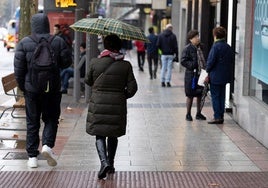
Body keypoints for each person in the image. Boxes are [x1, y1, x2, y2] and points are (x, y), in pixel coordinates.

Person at [13, 13, 72, 168]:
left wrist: (23, 87)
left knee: (32, 121)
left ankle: (32, 157)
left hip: (32, 89)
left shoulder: (24, 43)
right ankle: (47, 146)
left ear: (33, 25)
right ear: (47, 24)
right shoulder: (57, 41)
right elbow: (67, 63)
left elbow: (18, 70)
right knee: (51, 118)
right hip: (52, 88)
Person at [85, 34, 137, 179]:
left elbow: (87, 80)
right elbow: (133, 88)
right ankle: (111, 164)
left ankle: (104, 162)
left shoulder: (95, 62)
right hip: (117, 105)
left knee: (99, 134)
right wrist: (121, 96)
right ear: (119, 46)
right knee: (113, 134)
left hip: (98, 103)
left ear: (105, 46)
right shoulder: (125, 65)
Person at [206, 26, 234, 124]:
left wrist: (207, 70)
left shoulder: (215, 47)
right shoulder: (228, 47)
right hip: (225, 75)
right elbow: (231, 60)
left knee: (215, 96)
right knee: (222, 96)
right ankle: (221, 115)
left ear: (215, 35)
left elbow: (210, 61)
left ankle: (217, 117)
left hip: (215, 76)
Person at [181, 30, 207, 121]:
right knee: (190, 95)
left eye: (198, 36)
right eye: (195, 37)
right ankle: (188, 114)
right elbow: (183, 61)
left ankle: (198, 113)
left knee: (200, 94)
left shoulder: (201, 47)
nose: (197, 38)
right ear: (190, 39)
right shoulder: (187, 48)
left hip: (201, 74)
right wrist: (193, 65)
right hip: (191, 75)